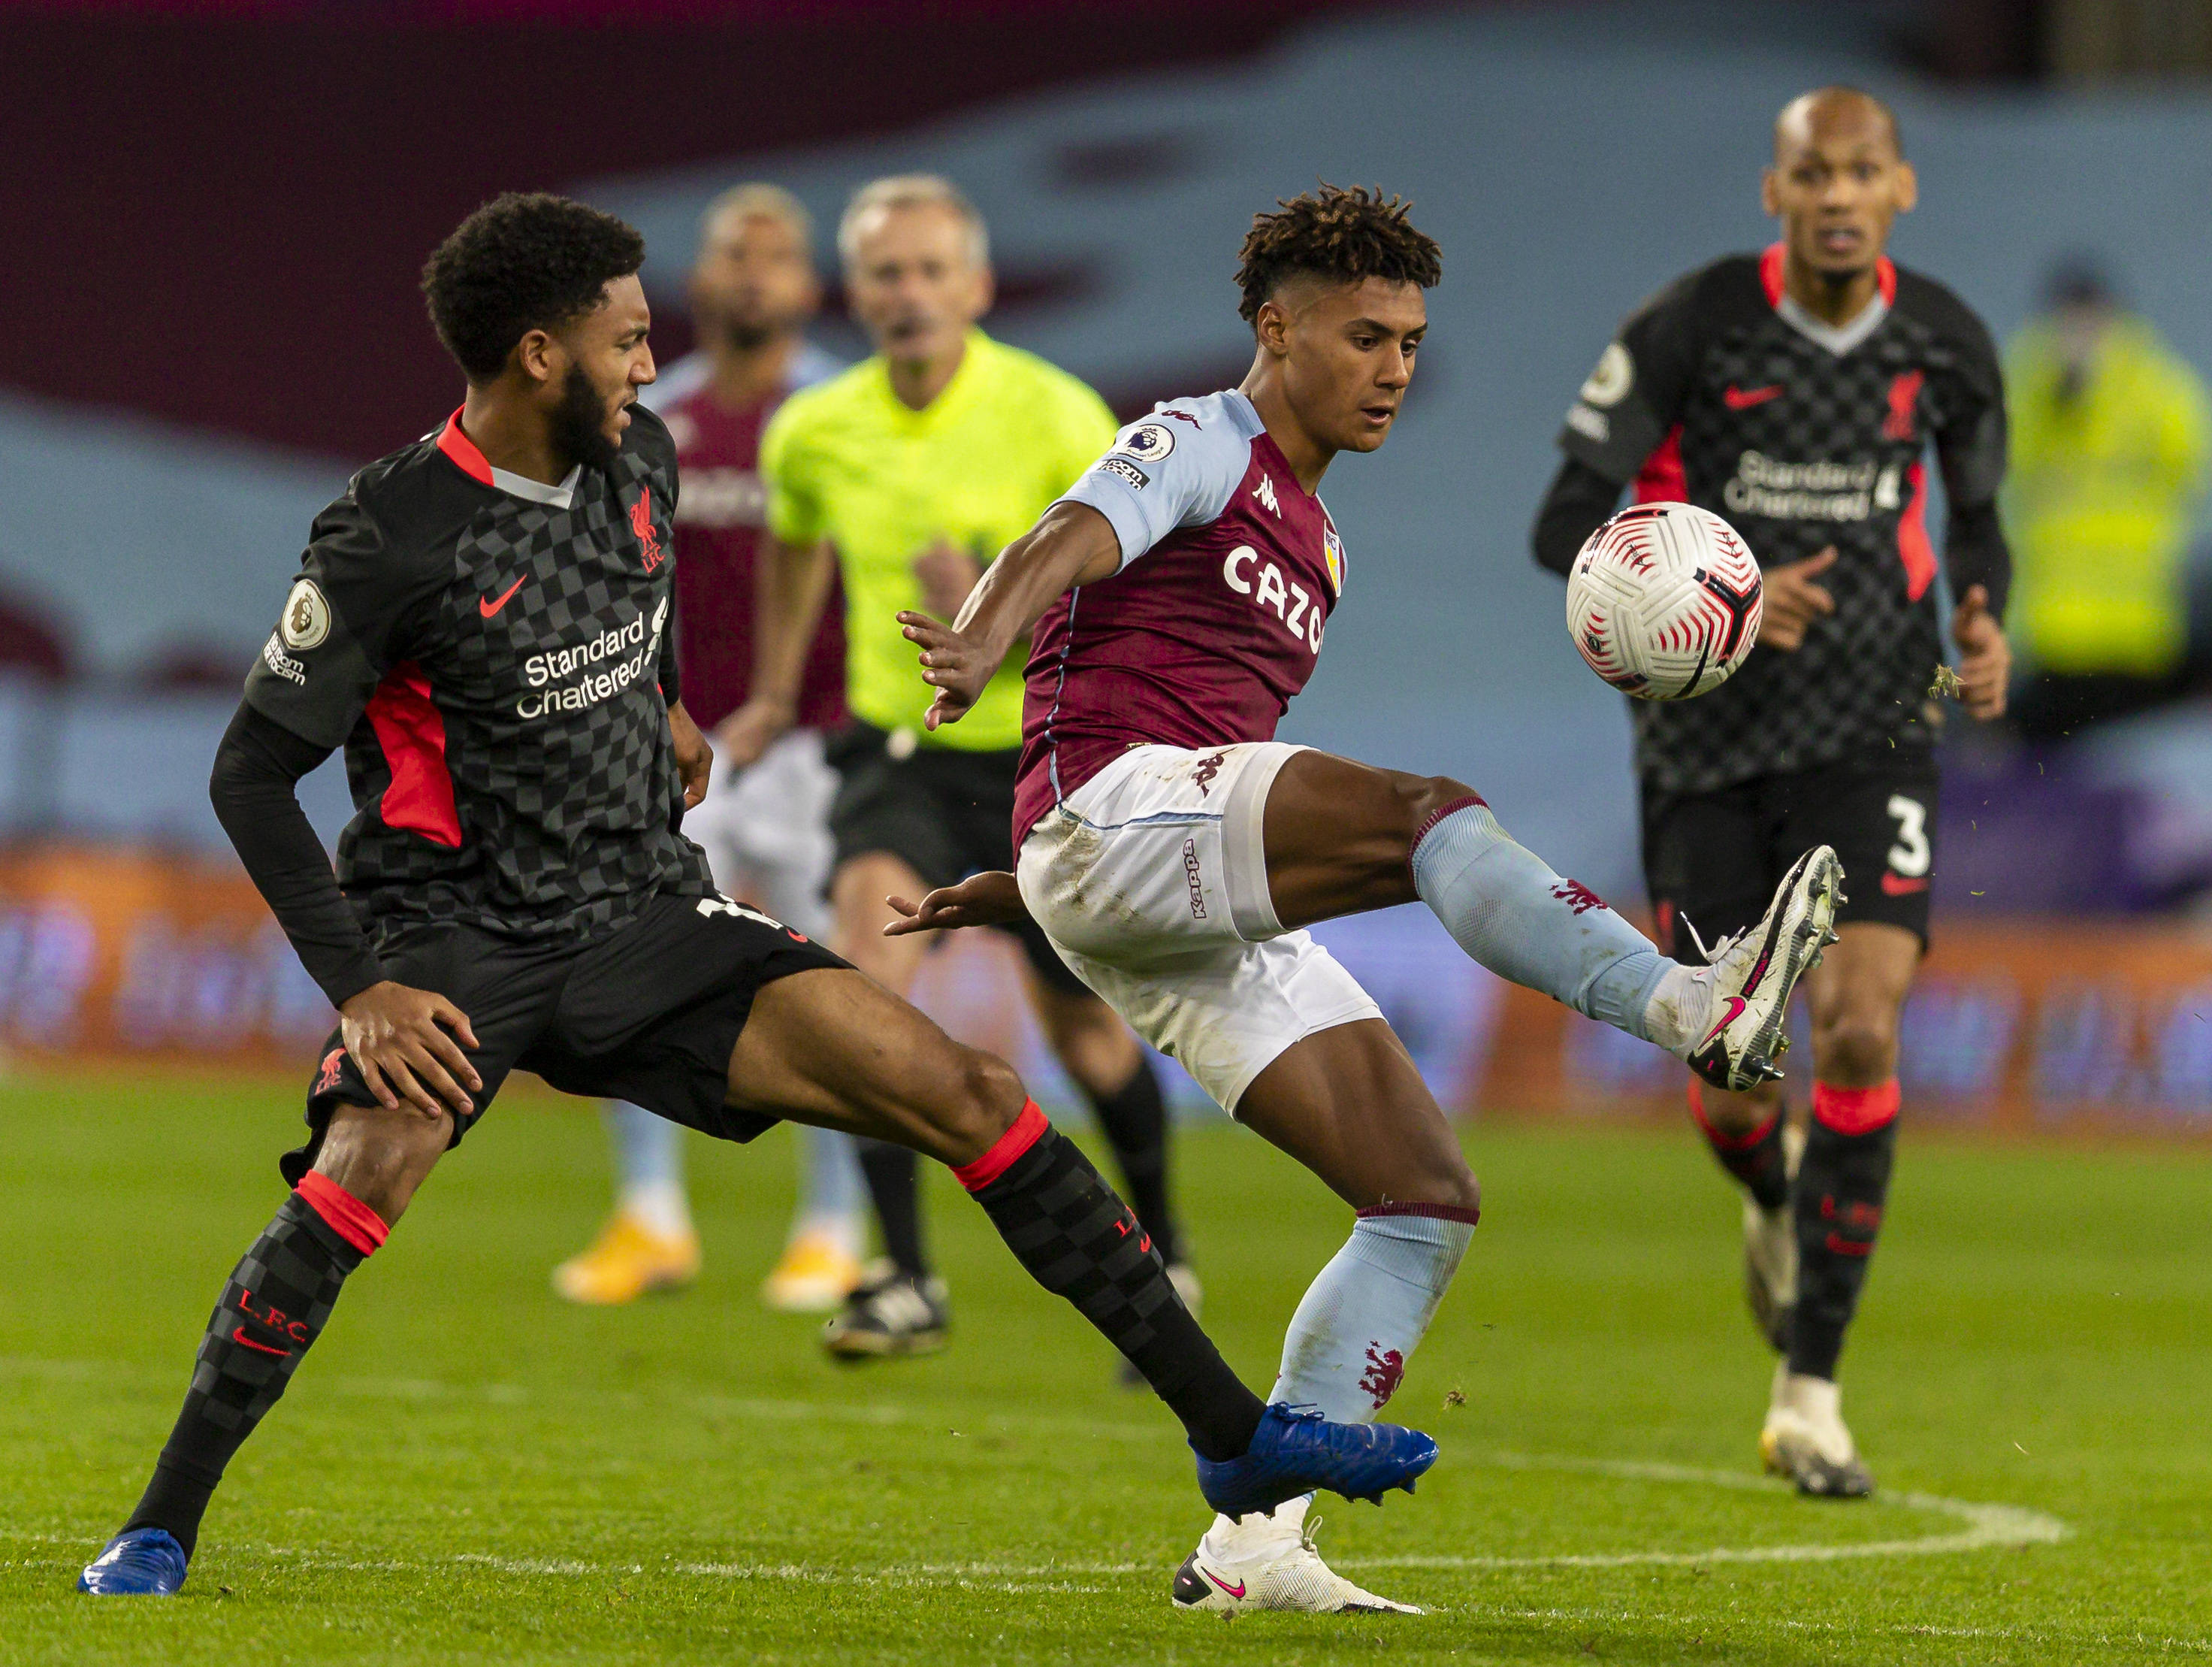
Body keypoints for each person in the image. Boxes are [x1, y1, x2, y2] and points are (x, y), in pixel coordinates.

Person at [75, 192, 1436, 1599]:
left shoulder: (639, 462)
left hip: (648, 915)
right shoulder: (389, 534)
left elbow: (635, 604)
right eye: (626, 340)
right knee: (356, 1182)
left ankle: (1230, 1439)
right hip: (458, 938)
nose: (650, 365)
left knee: (970, 1091)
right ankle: (156, 1527)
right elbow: (250, 774)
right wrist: (362, 986)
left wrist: (664, 710)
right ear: (539, 354)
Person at [882, 183, 1839, 1614]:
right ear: (1276, 329)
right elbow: (1066, 536)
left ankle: (1253, 1544)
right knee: (1419, 814)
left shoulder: (1319, 548)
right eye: (1363, 337)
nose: (1392, 369)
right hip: (1110, 812)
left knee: (1421, 1195)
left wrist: (1033, 892)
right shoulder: (1196, 438)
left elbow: (1208, 774)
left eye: (1408, 343)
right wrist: (978, 640)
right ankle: (1685, 1004)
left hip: (1141, 878)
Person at [1530, 88, 2014, 1497]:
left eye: (1861, 172)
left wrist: (1980, 616)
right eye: (1813, 174)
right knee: (1733, 1075)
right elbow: (1561, 522)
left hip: (1873, 728)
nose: (1836, 195)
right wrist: (1720, 582)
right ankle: (1769, 1188)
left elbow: (1977, 519)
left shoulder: (1943, 340)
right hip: (1703, 748)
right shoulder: (1691, 327)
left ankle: (1808, 1390)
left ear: (1899, 188)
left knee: (1857, 1024)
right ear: (1774, 191)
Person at [755, 174, 1197, 1361]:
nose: (907, 293)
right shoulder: (812, 429)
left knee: (1086, 1034)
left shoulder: (1055, 415)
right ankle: (903, 1274)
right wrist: (771, 692)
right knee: (857, 995)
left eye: (928, 271)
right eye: (885, 274)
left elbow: (1128, 586)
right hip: (892, 755)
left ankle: (1165, 1253)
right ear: (856, 292)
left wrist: (999, 604)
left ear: (976, 285)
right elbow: (793, 550)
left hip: (1034, 756)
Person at [550, 182, 869, 1312]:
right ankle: (650, 1215)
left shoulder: (842, 413)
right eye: (734, 250)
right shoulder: (656, 415)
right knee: (618, 963)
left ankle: (835, 1225)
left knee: (833, 987)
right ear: (697, 280)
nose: (752, 270)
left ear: (809, 286)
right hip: (675, 743)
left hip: (821, 746)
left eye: (775, 253)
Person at [2002, 257, 2212, 743]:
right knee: (2051, 759)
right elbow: (1993, 462)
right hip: (2052, 625)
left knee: (2132, 752)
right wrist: (2059, 397)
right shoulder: (2026, 387)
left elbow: (2194, 467)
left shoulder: (2157, 390)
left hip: (2135, 622)